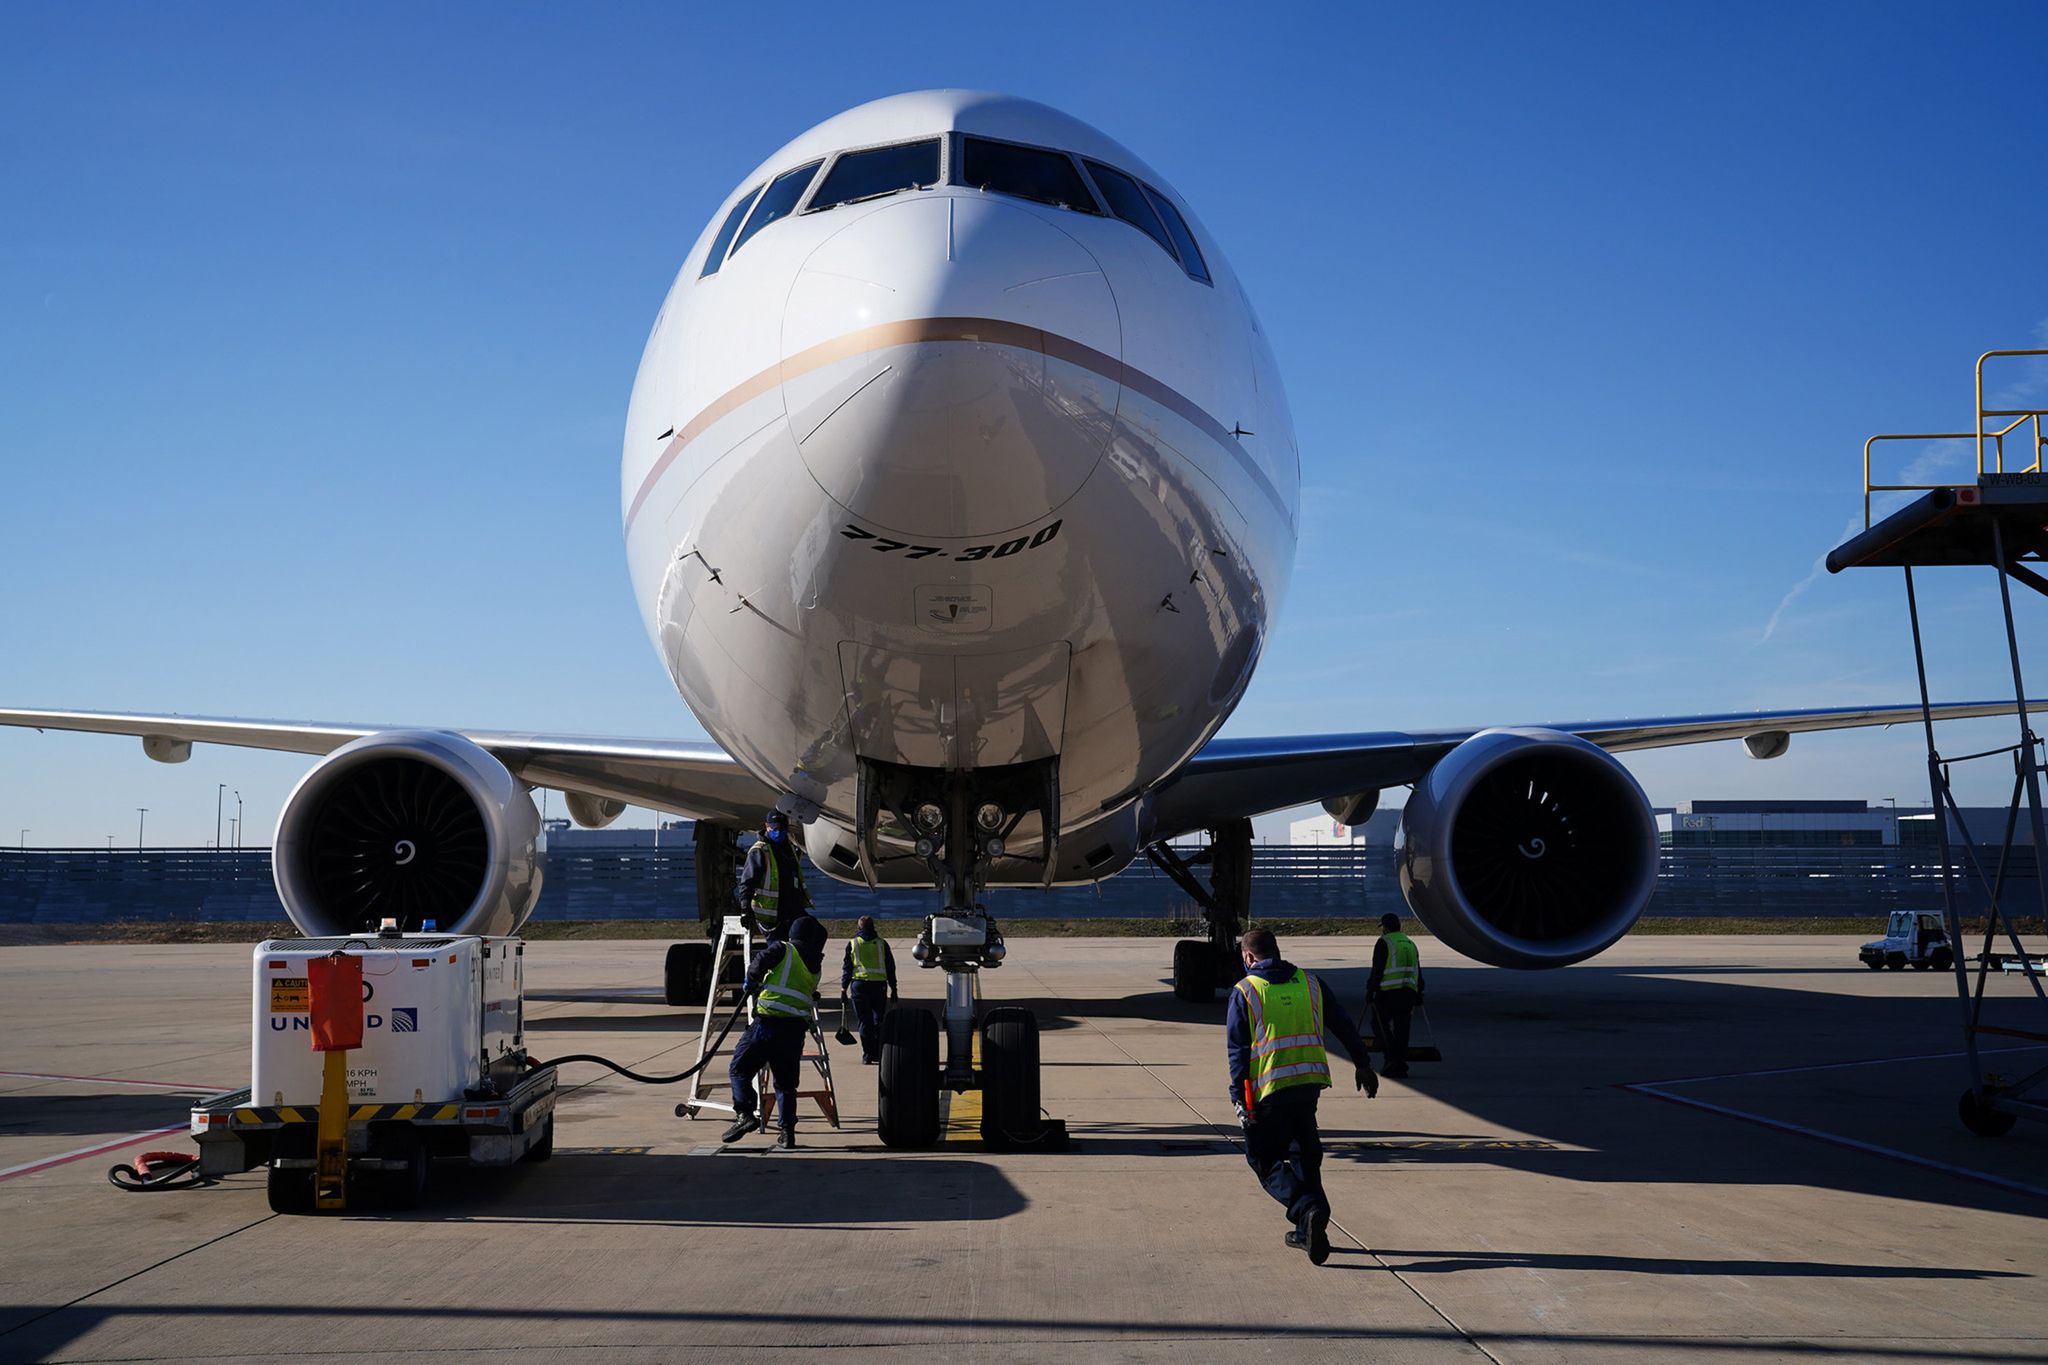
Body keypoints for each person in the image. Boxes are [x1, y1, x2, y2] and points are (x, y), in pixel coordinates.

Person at [1226, 926, 1376, 1266]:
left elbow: (1238, 1052)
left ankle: (1308, 1210)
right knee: (1305, 1156)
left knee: (1264, 1161)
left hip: (1268, 1091)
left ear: (1249, 957)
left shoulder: (1246, 991)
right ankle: (1312, 1228)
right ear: (1276, 951)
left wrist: (1239, 1098)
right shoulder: (1310, 982)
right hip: (1308, 1085)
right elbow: (1342, 1023)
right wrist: (1362, 1063)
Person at [722, 913, 827, 1150]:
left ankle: (745, 1114)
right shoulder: (815, 967)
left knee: (739, 1069)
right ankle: (787, 1133)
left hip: (767, 1025)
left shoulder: (784, 949)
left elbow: (759, 962)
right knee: (786, 1085)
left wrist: (751, 979)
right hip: (794, 1032)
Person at [1364, 912, 1425, 1079]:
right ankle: (1401, 1064)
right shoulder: (1410, 943)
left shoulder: (1384, 942)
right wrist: (1419, 992)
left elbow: (1378, 969)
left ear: (1385, 927)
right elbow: (1417, 970)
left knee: (1378, 1025)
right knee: (1402, 1030)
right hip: (1408, 994)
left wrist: (1370, 990)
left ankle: (1391, 1057)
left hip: (1388, 993)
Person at [735, 810, 809, 940]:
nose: (779, 832)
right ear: (767, 827)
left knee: (814, 935)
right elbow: (747, 882)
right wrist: (745, 908)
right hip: (771, 915)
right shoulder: (760, 851)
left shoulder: (790, 849)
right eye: (775, 829)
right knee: (780, 950)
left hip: (791, 910)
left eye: (782, 829)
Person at [840, 914, 898, 1064]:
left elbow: (847, 968)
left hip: (859, 985)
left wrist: (843, 989)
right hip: (879, 985)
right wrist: (894, 989)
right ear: (873, 927)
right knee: (878, 1020)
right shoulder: (881, 943)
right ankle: (878, 1053)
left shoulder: (853, 943)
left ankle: (867, 1054)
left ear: (859, 927)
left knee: (864, 1022)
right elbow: (890, 967)